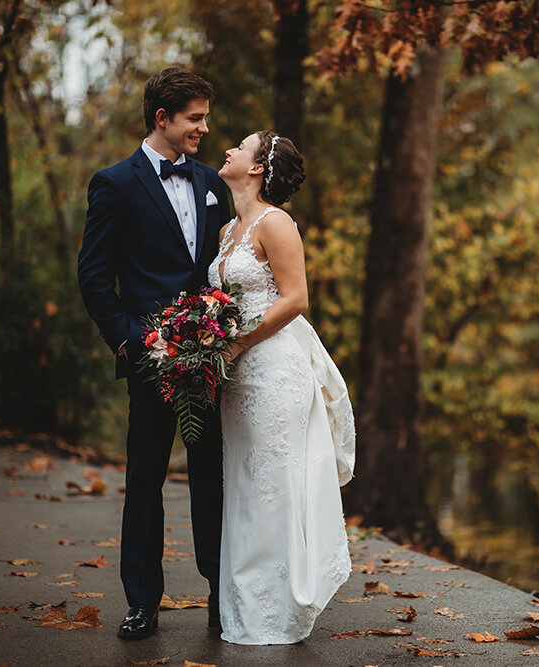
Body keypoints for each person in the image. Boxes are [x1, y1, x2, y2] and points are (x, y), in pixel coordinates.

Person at [77, 67, 230, 640]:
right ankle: (142, 601)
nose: (204, 129)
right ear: (162, 118)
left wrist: (221, 330)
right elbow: (94, 280)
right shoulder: (114, 184)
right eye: (195, 119)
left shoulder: (214, 184)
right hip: (149, 361)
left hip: (211, 360)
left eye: (206, 118)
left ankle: (220, 596)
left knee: (211, 480)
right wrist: (133, 341)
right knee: (144, 481)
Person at [209, 131, 355, 644]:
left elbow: (295, 298)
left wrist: (238, 343)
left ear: (256, 168)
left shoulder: (277, 223)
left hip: (273, 371)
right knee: (245, 488)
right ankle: (246, 611)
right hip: (236, 376)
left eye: (240, 146)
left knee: (273, 486)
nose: (228, 149)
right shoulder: (229, 228)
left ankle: (280, 612)